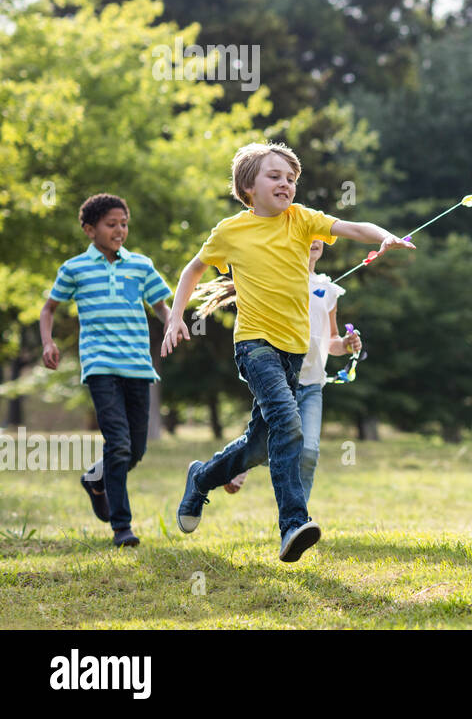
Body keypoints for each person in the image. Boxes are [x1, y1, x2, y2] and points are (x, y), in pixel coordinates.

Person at [160, 142, 413, 562]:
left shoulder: (303, 220)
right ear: (248, 186)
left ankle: (201, 477)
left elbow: (354, 226)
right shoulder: (230, 231)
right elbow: (193, 269)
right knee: (289, 424)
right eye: (275, 176)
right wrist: (175, 318)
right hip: (254, 345)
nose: (286, 184)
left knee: (259, 447)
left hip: (294, 352)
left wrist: (385, 237)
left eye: (291, 179)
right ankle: (293, 524)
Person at [39, 194, 172, 547]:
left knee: (135, 450)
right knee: (119, 443)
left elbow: (161, 305)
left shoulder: (141, 265)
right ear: (89, 229)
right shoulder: (74, 269)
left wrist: (173, 325)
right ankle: (121, 526)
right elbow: (48, 308)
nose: (120, 230)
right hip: (100, 366)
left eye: (124, 224)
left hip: (139, 367)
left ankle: (95, 479)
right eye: (111, 225)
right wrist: (48, 342)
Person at [197, 238, 362, 503]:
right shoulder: (279, 281)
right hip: (280, 381)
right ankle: (238, 463)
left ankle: (299, 521)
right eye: (307, 235)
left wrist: (344, 344)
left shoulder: (328, 290)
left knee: (307, 453)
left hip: (312, 386)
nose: (315, 241)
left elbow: (330, 340)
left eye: (319, 236)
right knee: (266, 446)